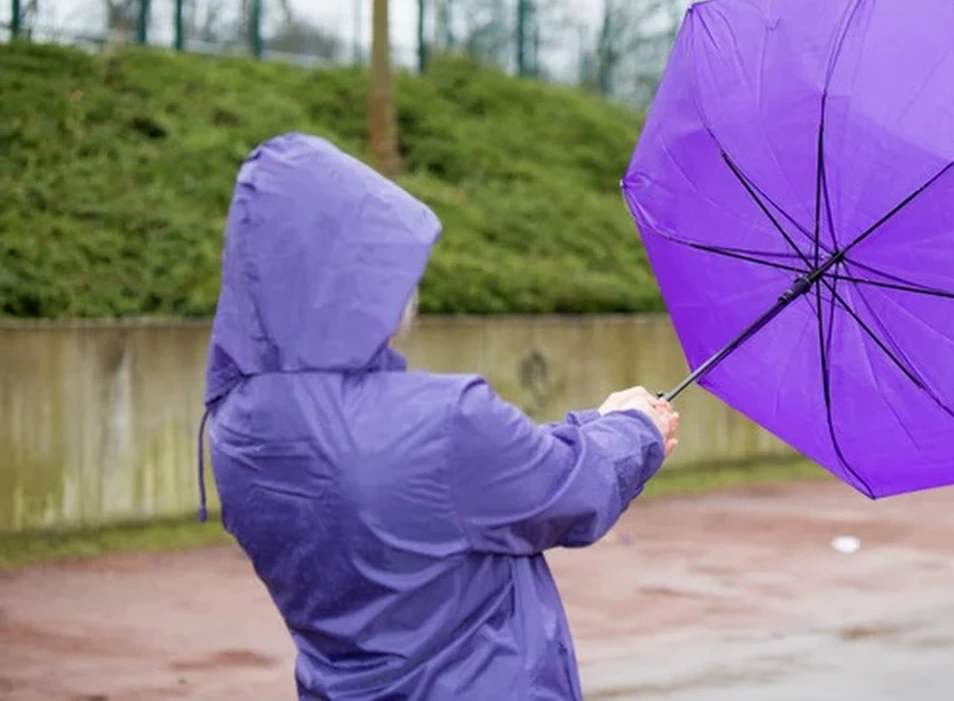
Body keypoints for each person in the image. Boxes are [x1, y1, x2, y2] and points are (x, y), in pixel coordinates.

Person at [199, 132, 678, 700]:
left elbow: (466, 482)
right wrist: (634, 431)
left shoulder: (235, 428)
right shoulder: (445, 420)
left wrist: (590, 428)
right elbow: (564, 491)